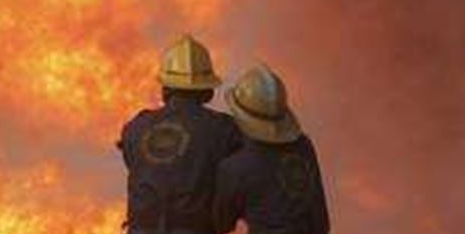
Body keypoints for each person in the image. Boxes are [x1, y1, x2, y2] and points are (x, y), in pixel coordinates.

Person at [118, 34, 242, 234]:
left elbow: (133, 162)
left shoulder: (135, 127)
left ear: (165, 88)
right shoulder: (225, 130)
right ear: (207, 90)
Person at [214, 64, 330, 234]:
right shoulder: (303, 146)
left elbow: (221, 224)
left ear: (240, 116)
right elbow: (320, 221)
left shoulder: (234, 169)